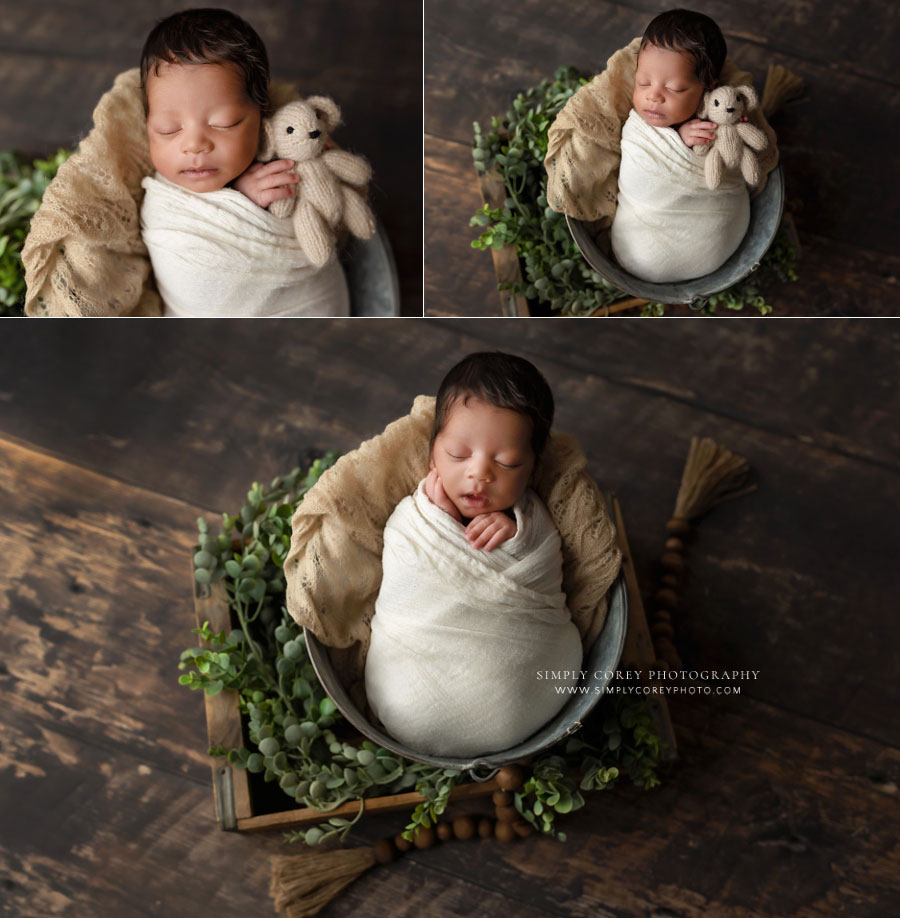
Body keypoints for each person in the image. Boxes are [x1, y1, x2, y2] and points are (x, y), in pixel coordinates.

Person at [364, 352, 583, 758]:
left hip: (523, 681)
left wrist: (517, 532)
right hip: (413, 682)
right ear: (433, 455)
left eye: (507, 462)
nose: (480, 473)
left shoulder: (531, 521)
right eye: (459, 455)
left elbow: (545, 561)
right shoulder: (416, 518)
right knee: (406, 694)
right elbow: (405, 562)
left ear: (532, 469)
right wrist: (442, 522)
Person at [138, 8, 350, 317]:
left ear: (262, 117)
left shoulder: (280, 156)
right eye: (168, 129)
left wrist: (319, 166)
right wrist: (241, 199)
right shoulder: (165, 204)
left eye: (224, 123)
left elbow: (321, 219)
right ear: (146, 126)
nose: (194, 145)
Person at [545, 8, 777, 284]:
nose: (653, 96)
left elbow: (728, 159)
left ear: (707, 87)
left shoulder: (717, 112)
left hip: (715, 235)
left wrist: (718, 131)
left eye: (675, 89)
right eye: (643, 82)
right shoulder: (639, 128)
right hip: (643, 243)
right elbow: (640, 171)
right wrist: (678, 139)